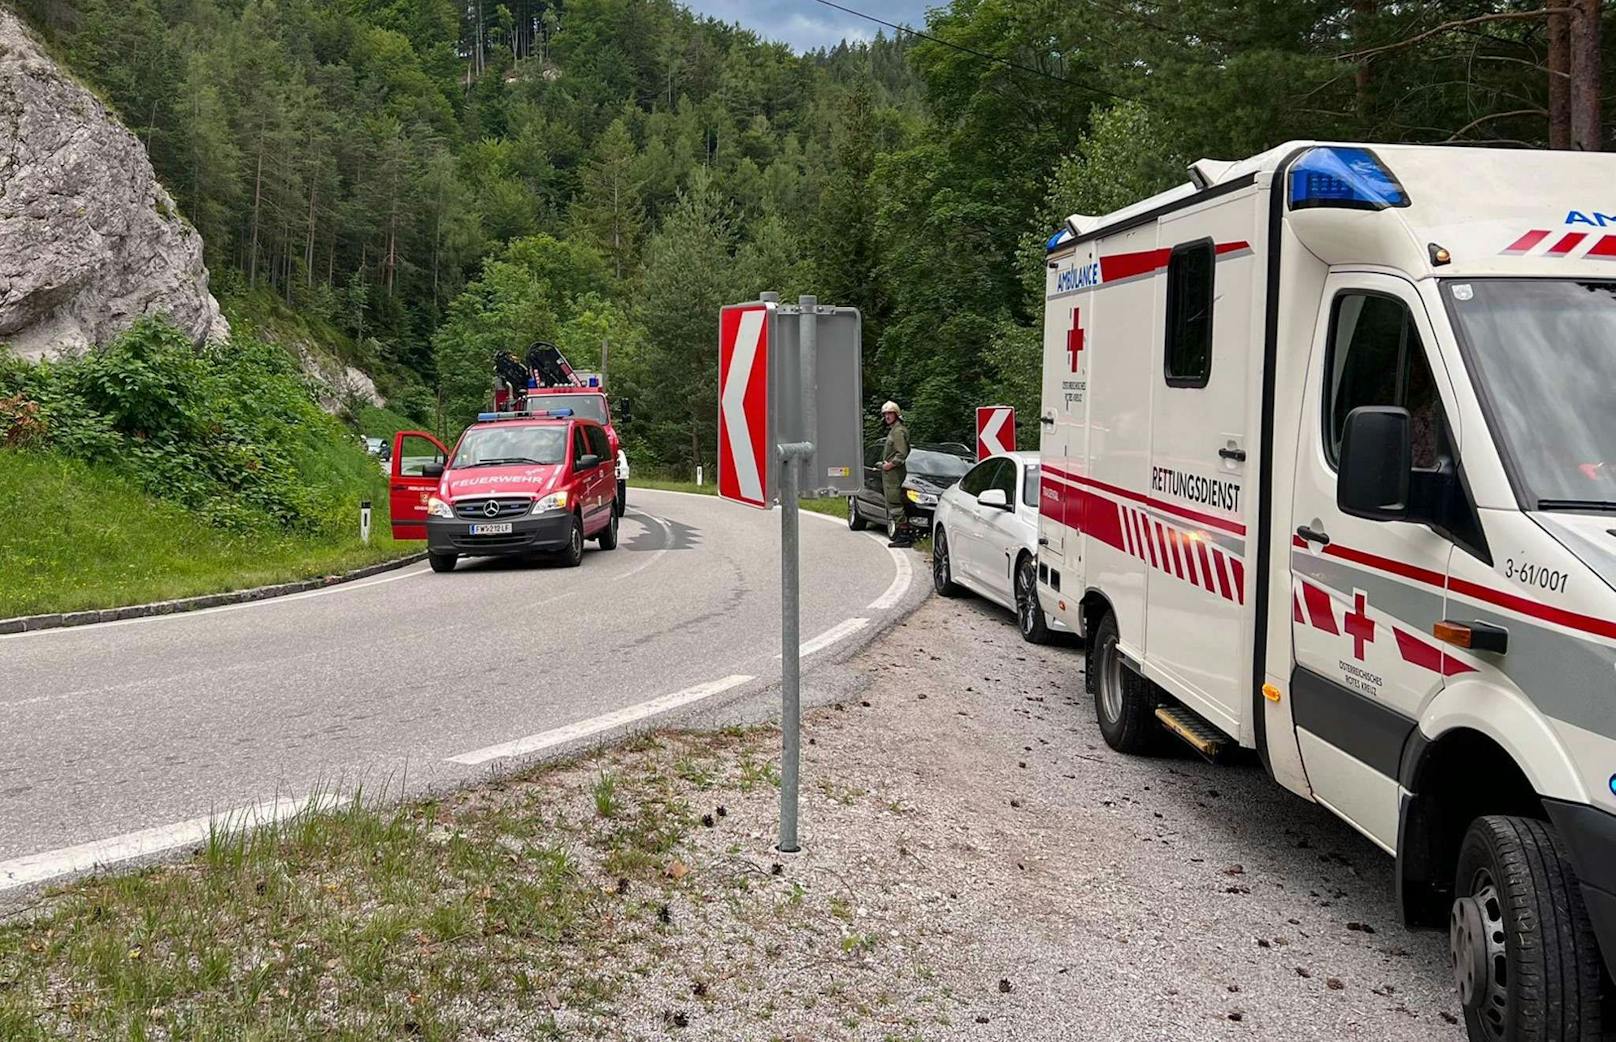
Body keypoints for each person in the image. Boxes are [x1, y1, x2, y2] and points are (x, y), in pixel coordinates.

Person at [879, 400, 912, 547]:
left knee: (894, 502)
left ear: (896, 414)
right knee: (891, 501)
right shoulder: (893, 430)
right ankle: (901, 533)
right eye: (885, 414)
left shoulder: (898, 431)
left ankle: (904, 535)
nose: (887, 416)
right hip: (891, 472)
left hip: (893, 472)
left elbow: (902, 453)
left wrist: (890, 465)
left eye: (890, 413)